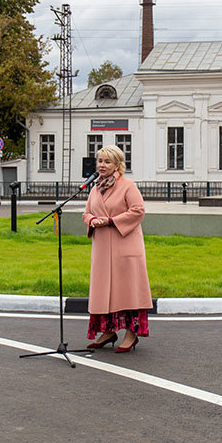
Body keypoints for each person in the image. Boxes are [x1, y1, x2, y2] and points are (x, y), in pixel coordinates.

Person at [83, 145, 152, 353]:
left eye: (107, 162)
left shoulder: (128, 185)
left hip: (125, 247)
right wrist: (93, 220)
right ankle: (108, 331)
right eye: (100, 161)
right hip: (103, 250)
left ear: (117, 165)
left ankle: (131, 334)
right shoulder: (96, 188)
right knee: (105, 292)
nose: (101, 165)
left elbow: (138, 211)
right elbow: (86, 213)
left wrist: (111, 221)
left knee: (128, 291)